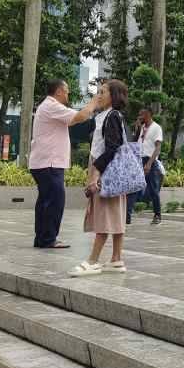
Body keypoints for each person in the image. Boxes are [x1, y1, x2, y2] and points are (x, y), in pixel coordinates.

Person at [70, 79, 131, 277]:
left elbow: (112, 147)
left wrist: (95, 172)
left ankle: (93, 260)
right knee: (115, 215)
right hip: (111, 172)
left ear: (114, 96)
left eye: (103, 92)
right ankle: (116, 259)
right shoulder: (109, 116)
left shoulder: (111, 116)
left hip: (106, 171)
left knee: (105, 216)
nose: (99, 95)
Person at [28, 79, 98, 249]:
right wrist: (95, 101)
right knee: (55, 201)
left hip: (43, 162)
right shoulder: (52, 105)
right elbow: (78, 117)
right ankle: (49, 239)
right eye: (66, 91)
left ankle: (42, 238)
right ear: (58, 91)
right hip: (49, 163)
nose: (68, 94)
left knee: (45, 201)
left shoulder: (46, 106)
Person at [127, 108, 163, 225]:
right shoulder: (142, 128)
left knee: (153, 190)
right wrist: (137, 129)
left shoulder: (156, 128)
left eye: (141, 115)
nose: (139, 117)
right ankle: (127, 216)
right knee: (134, 188)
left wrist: (149, 163)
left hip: (149, 161)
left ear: (148, 114)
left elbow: (158, 147)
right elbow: (134, 143)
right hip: (139, 160)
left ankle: (157, 215)